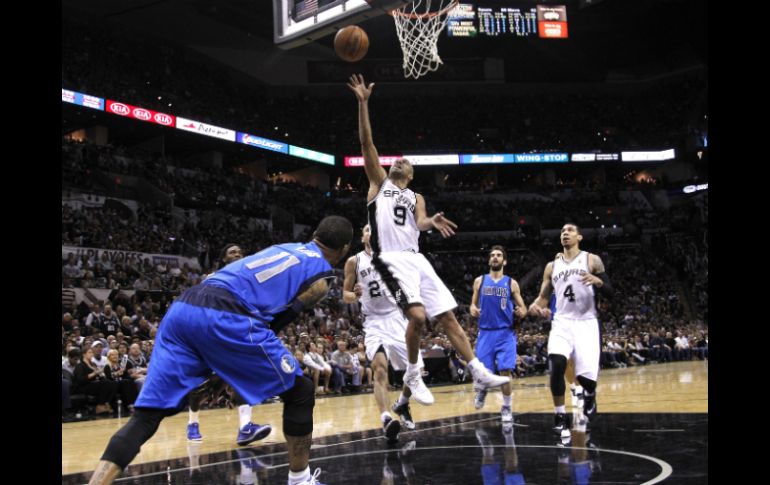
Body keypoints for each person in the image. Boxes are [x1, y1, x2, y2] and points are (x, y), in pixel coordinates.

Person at [88, 216, 353, 485]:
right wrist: (228, 367)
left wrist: (224, 367)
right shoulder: (321, 275)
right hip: (226, 313)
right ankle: (300, 480)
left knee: (146, 417)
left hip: (183, 307)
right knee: (301, 392)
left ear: (315, 234)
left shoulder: (285, 247)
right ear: (344, 250)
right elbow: (272, 324)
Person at [348, 73, 508, 407]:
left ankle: (477, 370)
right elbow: (366, 145)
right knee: (418, 318)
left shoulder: (416, 195)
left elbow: (419, 223)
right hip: (388, 258)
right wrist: (363, 104)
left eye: (404, 162)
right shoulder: (379, 184)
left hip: (416, 257)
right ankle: (412, 374)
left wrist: (431, 221)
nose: (399, 161)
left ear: (410, 174)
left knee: (447, 316)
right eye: (397, 160)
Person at [528, 224, 612, 436]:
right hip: (562, 322)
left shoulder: (592, 260)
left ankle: (590, 393)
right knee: (557, 363)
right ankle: (559, 414)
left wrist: (599, 281)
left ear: (580, 237)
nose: (565, 233)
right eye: (562, 231)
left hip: (587, 322)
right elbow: (543, 298)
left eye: (570, 230)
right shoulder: (551, 266)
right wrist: (535, 307)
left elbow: (611, 291)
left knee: (586, 379)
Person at [342, 224, 423, 444]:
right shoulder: (354, 261)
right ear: (362, 237)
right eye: (367, 229)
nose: (372, 233)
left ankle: (403, 402)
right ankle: (386, 418)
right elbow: (345, 294)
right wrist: (354, 295)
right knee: (379, 369)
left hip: (397, 318)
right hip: (374, 323)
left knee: (416, 371)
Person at [186, 243, 272, 446]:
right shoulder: (212, 277)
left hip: (236, 332)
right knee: (203, 385)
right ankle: (192, 422)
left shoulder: (249, 280)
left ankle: (245, 427)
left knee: (243, 377)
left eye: (240, 251)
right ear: (224, 258)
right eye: (232, 252)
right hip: (211, 333)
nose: (238, 254)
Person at [469, 245, 527, 422]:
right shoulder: (480, 281)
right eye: (492, 255)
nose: (495, 257)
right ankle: (482, 391)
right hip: (485, 332)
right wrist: (472, 308)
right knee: (483, 372)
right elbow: (473, 304)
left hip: (505, 333)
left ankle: (507, 407)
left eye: (499, 255)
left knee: (505, 372)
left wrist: (521, 311)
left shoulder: (511, 283)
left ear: (504, 261)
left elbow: (523, 307)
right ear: (489, 260)